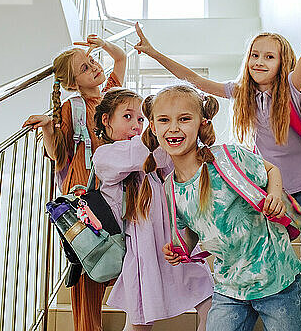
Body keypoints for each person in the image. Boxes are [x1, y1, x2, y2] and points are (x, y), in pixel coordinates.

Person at [134, 0, 301, 331]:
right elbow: (195, 81)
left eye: (269, 56)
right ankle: (258, 301)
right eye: (255, 55)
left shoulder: (293, 91)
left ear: (283, 63)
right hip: (268, 192)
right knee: (265, 250)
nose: (260, 61)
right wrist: (155, 53)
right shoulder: (242, 95)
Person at [139, 84, 301, 331]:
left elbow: (271, 169)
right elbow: (195, 229)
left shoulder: (228, 157)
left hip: (277, 279)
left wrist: (274, 197)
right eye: (164, 120)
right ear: (153, 127)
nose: (173, 128)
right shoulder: (169, 188)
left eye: (184, 119)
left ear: (202, 122)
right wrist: (181, 248)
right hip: (229, 288)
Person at [22, 34, 126, 331]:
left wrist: (103, 45)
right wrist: (46, 128)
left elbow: (120, 58)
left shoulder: (111, 95)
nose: (94, 67)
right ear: (73, 83)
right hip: (84, 191)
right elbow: (60, 153)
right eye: (84, 68)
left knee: (119, 253)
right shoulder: (73, 107)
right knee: (89, 263)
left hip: (112, 189)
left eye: (92, 61)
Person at [91, 87, 213, 331]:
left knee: (209, 300)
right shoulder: (105, 156)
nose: (137, 125)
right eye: (128, 117)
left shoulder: (152, 156)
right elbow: (143, 153)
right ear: (106, 120)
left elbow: (172, 160)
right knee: (140, 323)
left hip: (175, 240)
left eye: (141, 119)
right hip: (143, 248)